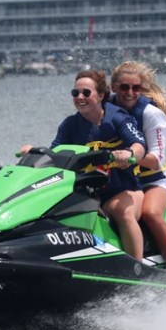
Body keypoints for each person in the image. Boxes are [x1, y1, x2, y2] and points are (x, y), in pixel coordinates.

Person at [21, 69, 146, 260]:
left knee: (122, 212)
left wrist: (128, 153)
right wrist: (34, 152)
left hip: (125, 190)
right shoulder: (70, 125)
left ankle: (138, 270)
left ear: (101, 95)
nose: (80, 97)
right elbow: (55, 155)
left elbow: (139, 145)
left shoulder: (117, 118)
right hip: (90, 192)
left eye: (86, 93)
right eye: (75, 93)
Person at [110, 60, 166, 270]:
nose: (130, 92)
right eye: (124, 87)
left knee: (150, 213)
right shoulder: (106, 107)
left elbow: (156, 160)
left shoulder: (151, 114)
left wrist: (130, 156)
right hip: (121, 180)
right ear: (114, 87)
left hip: (153, 180)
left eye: (136, 88)